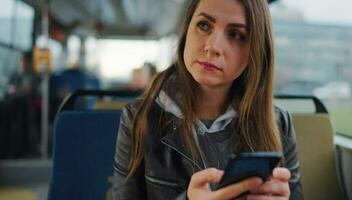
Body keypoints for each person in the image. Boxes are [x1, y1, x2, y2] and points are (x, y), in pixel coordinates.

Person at [113, 0, 303, 199]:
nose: (213, 47)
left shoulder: (279, 124)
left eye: (236, 35)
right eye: (204, 25)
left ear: (255, 51)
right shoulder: (139, 118)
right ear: (186, 32)